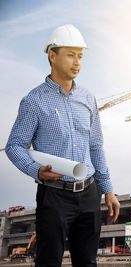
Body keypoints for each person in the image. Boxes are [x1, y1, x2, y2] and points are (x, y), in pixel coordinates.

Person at [6, 24, 120, 267]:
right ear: (52, 56)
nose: (77, 62)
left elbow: (96, 147)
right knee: (48, 262)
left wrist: (108, 190)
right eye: (70, 55)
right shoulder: (34, 101)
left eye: (80, 56)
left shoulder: (88, 99)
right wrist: (35, 170)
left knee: (87, 263)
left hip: (90, 194)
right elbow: (15, 145)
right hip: (53, 194)